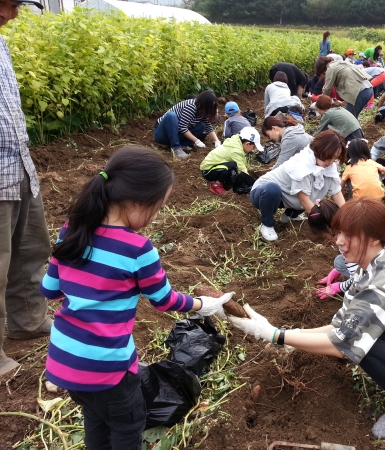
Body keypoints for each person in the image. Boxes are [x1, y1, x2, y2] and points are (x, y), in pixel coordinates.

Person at [227, 197, 385, 440]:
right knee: (361, 333)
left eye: (350, 235)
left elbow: (341, 343)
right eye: (338, 233)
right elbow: (342, 324)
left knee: (365, 341)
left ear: (374, 238)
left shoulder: (382, 282)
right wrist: (286, 334)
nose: (339, 241)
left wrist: (272, 335)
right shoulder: (375, 264)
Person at [39, 146, 236, 449]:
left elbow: (49, 290)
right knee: (128, 426)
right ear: (136, 202)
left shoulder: (71, 229)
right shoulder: (137, 249)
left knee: (96, 417)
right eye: (157, 208)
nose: (155, 216)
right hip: (107, 367)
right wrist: (203, 305)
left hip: (64, 360)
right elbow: (164, 300)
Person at [0, 0, 54, 378]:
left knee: (31, 249)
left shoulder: (1, 44)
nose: (10, 13)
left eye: (16, 4)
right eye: (4, 2)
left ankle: (28, 321)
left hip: (18, 164)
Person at [250, 130, 346, 241]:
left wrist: (347, 219)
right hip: (262, 193)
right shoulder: (302, 164)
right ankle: (267, 224)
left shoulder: (330, 168)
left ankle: (290, 216)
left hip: (288, 197)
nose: (331, 162)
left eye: (335, 158)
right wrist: (323, 227)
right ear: (320, 149)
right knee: (272, 189)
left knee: (314, 193)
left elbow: (337, 194)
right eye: (329, 157)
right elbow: (304, 200)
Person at [154, 90, 220, 159]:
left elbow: (208, 126)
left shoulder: (203, 109)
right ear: (205, 103)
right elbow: (183, 127)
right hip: (163, 134)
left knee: (202, 126)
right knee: (171, 115)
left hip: (176, 134)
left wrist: (217, 141)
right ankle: (176, 148)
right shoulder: (191, 106)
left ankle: (182, 145)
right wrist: (197, 141)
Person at [200, 127, 262, 195]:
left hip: (216, 167)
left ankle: (224, 183)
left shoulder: (237, 141)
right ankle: (216, 186)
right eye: (254, 147)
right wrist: (252, 183)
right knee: (232, 165)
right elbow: (242, 168)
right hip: (208, 171)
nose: (253, 149)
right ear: (247, 144)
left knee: (233, 169)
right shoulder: (236, 151)